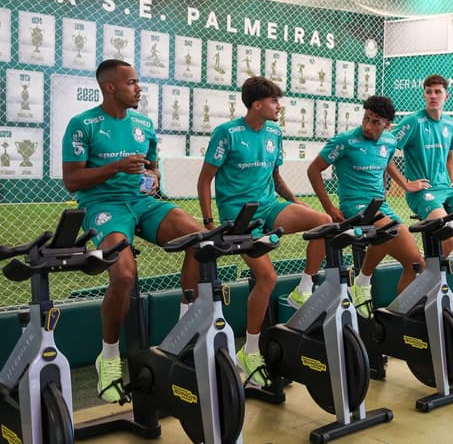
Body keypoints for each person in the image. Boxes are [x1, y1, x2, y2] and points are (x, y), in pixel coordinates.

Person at [62, 59, 205, 403]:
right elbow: (71, 181)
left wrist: (154, 177)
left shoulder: (143, 123)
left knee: (201, 240)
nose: (139, 88)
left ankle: (185, 330)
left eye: (138, 82)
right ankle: (109, 357)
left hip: (142, 203)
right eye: (132, 83)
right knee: (124, 275)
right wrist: (114, 168)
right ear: (110, 87)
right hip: (103, 206)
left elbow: (151, 166)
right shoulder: (83, 125)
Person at [197, 77, 331, 387]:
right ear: (257, 104)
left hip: (271, 206)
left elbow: (276, 177)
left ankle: (304, 288)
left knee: (323, 221)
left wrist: (297, 204)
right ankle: (250, 350)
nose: (279, 107)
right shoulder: (226, 133)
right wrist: (208, 222)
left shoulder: (274, 132)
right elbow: (205, 180)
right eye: (274, 102)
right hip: (239, 218)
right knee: (267, 278)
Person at [307, 95, 425, 318]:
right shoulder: (345, 141)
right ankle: (363, 280)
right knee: (388, 230)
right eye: (366, 118)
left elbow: (386, 161)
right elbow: (314, 170)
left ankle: (398, 317)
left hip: (380, 206)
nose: (368, 126)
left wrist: (405, 184)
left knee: (416, 263)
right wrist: (330, 209)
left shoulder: (389, 141)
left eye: (375, 122)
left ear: (387, 124)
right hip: (354, 206)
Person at [385, 74, 453, 272]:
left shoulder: (450, 123)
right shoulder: (413, 122)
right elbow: (383, 151)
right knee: (450, 235)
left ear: (447, 96)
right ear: (424, 95)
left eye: (438, 92)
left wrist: (452, 180)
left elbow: (449, 155)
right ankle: (425, 277)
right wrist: (406, 184)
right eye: (429, 92)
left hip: (447, 189)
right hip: (423, 192)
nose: (433, 96)